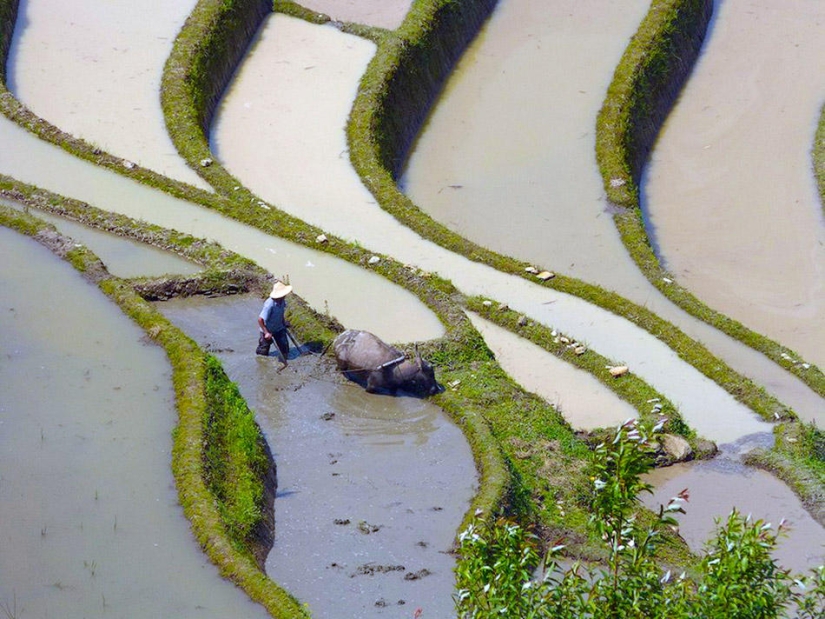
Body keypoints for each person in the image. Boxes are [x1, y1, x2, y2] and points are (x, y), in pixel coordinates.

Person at [257, 280, 292, 365]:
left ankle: (283, 361)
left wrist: (283, 323)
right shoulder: (269, 304)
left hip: (279, 328)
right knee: (262, 353)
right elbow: (260, 319)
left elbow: (281, 313)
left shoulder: (282, 301)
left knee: (285, 349)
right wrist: (266, 333)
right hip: (268, 330)